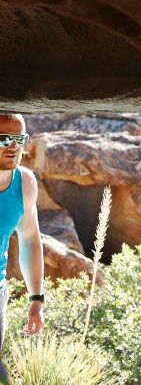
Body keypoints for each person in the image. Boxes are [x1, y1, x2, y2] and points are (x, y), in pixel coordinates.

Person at [0, 114, 45, 350]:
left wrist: (36, 299)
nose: (14, 147)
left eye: (19, 139)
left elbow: (29, 239)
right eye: (4, 139)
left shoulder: (24, 183)